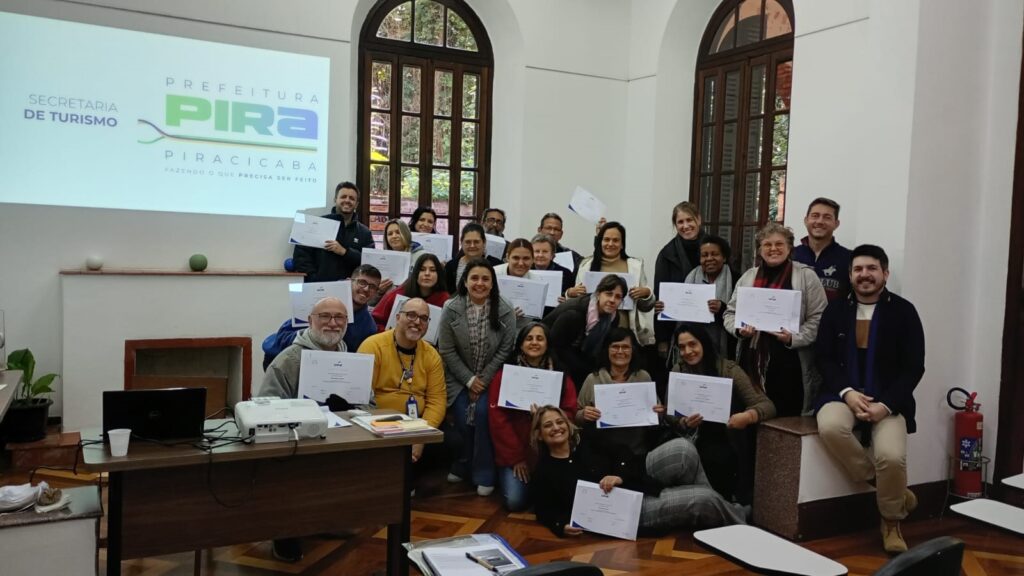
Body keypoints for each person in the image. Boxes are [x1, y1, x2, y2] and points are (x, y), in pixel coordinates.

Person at [815, 244, 925, 553]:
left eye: (872, 269)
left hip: (889, 400)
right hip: (843, 393)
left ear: (885, 274)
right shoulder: (836, 310)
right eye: (858, 269)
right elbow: (823, 359)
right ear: (849, 275)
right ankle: (891, 488)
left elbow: (914, 366)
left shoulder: (904, 312)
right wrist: (848, 394)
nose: (865, 275)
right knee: (831, 427)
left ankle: (891, 521)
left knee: (891, 456)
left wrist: (885, 405)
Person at [724, 223, 827, 416]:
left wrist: (793, 338)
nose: (773, 249)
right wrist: (739, 329)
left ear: (789, 248)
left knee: (785, 421)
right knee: (752, 417)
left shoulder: (806, 276)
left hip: (790, 363)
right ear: (759, 250)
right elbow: (729, 313)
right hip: (751, 361)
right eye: (767, 244)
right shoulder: (748, 277)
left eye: (779, 244)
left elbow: (819, 318)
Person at [668, 323, 775, 503]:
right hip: (691, 440)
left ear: (704, 343)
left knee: (718, 458)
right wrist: (684, 422)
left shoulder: (728, 369)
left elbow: (766, 405)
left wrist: (747, 417)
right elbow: (671, 416)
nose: (687, 351)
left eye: (692, 344)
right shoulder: (678, 370)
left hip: (726, 439)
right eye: (682, 347)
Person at [438, 258, 517, 496]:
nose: (479, 283)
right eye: (474, 278)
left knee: (483, 415)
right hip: (458, 376)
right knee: (462, 415)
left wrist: (482, 380)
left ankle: (484, 472)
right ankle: (462, 465)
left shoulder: (505, 309)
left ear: (493, 283)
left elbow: (505, 349)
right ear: (465, 281)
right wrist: (469, 381)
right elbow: (446, 350)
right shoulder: (451, 308)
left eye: (485, 279)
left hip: (491, 377)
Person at [487, 323, 578, 511]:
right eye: (529, 338)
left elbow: (570, 410)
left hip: (551, 451)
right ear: (520, 344)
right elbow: (498, 420)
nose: (534, 343)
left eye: (539, 338)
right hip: (516, 452)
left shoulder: (560, 374)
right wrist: (516, 458)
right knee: (515, 502)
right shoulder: (504, 375)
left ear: (547, 344)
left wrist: (548, 418)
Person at [359, 297, 446, 465]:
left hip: (418, 423)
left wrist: (421, 436)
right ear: (398, 318)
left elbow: (437, 400)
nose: (417, 322)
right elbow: (361, 399)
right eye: (411, 315)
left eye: (423, 318)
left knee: (450, 443)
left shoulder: (431, 355)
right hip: (379, 423)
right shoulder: (373, 346)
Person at [260, 265, 382, 369]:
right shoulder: (318, 301)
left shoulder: (369, 326)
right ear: (349, 281)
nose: (366, 289)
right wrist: (314, 336)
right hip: (292, 362)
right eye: (362, 282)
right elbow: (282, 339)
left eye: (372, 287)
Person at [566, 221, 656, 351]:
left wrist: (647, 294)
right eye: (606, 239)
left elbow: (646, 307)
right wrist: (570, 293)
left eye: (615, 240)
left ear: (622, 244)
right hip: (592, 333)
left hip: (625, 334)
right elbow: (577, 303)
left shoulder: (635, 266)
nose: (610, 244)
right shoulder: (586, 265)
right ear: (600, 242)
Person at [543, 275, 629, 388]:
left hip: (578, 356)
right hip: (550, 353)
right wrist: (586, 371)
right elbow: (556, 346)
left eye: (618, 297)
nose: (612, 300)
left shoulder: (613, 317)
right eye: (608, 294)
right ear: (598, 294)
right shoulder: (574, 313)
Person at [260, 297, 348, 401]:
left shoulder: (351, 362)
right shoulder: (287, 362)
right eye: (324, 316)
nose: (333, 323)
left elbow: (367, 405)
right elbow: (267, 408)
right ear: (310, 321)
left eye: (339, 317)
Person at [292, 181, 375, 283]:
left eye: (352, 198)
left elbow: (369, 263)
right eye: (343, 197)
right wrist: (314, 278)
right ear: (335, 199)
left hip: (351, 291)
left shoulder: (365, 232)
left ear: (356, 204)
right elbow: (301, 257)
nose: (347, 200)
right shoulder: (315, 224)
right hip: (318, 288)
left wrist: (345, 252)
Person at [654, 202, 708, 348]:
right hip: (676, 331)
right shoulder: (667, 254)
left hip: (710, 329)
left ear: (699, 219)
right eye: (680, 222)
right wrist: (662, 339)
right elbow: (660, 300)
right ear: (675, 225)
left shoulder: (714, 248)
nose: (685, 226)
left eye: (689, 220)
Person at [681, 235, 737, 360]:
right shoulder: (690, 277)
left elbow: (741, 315)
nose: (709, 259)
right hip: (693, 345)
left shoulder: (736, 279)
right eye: (704, 255)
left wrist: (722, 308)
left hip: (726, 344)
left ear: (724, 257)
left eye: (715, 254)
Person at [793, 197, 852, 302]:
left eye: (827, 217)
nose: (820, 221)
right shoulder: (791, 256)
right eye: (815, 216)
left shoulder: (849, 258)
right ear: (806, 220)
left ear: (836, 224)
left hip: (833, 318)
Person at [372, 253, 449, 332]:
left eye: (432, 270)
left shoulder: (445, 300)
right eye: (422, 269)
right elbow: (375, 321)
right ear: (415, 273)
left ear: (439, 274)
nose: (427, 273)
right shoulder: (398, 294)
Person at [444, 222, 502, 292]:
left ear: (484, 242)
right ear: (461, 242)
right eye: (468, 242)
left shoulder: (497, 265)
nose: (472, 245)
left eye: (476, 242)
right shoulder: (451, 266)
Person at [378, 218, 427, 295]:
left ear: (406, 233)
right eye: (390, 234)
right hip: (389, 302)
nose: (394, 236)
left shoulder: (422, 256)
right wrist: (379, 291)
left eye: (398, 232)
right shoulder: (383, 260)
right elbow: (372, 301)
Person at [531, 233, 574, 297]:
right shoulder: (525, 271)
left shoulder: (565, 273)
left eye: (545, 251)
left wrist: (565, 300)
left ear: (552, 255)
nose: (540, 255)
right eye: (537, 251)